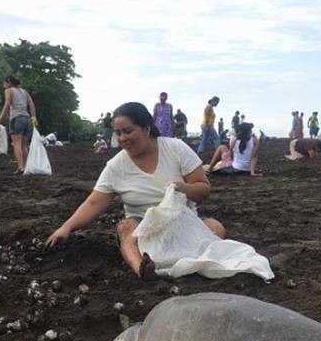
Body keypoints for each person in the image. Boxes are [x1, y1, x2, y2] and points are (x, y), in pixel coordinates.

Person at [46, 102, 225, 279]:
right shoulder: (116, 166)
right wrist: (66, 227)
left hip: (182, 221)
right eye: (118, 133)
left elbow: (203, 188)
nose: (123, 138)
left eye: (128, 131)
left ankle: (181, 258)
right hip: (143, 230)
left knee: (216, 227)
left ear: (146, 129)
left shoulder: (175, 148)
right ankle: (142, 268)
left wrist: (184, 189)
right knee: (126, 226)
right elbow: (93, 202)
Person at [0, 76, 37, 174]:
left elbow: (7, 104)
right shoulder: (24, 92)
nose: (3, 85)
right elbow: (31, 104)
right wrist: (34, 117)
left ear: (9, 82)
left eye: (4, 83)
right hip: (27, 119)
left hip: (16, 118)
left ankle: (20, 167)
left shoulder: (9, 90)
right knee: (24, 145)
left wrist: (0, 119)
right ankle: (26, 167)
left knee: (16, 144)